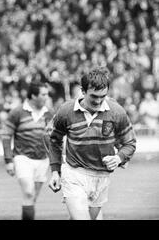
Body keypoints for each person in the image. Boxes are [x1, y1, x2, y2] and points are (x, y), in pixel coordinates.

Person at [48, 67, 136, 220]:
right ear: (82, 91)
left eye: (103, 96)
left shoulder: (116, 112)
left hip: (101, 177)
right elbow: (54, 140)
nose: (98, 100)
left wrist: (118, 158)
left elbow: (130, 143)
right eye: (93, 96)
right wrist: (55, 171)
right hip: (74, 173)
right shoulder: (66, 111)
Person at [1, 82, 54, 220]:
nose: (46, 97)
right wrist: (8, 160)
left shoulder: (49, 114)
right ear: (33, 95)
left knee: (32, 198)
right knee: (29, 192)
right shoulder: (17, 112)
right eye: (43, 94)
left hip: (43, 159)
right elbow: (6, 135)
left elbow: (54, 138)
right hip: (22, 158)